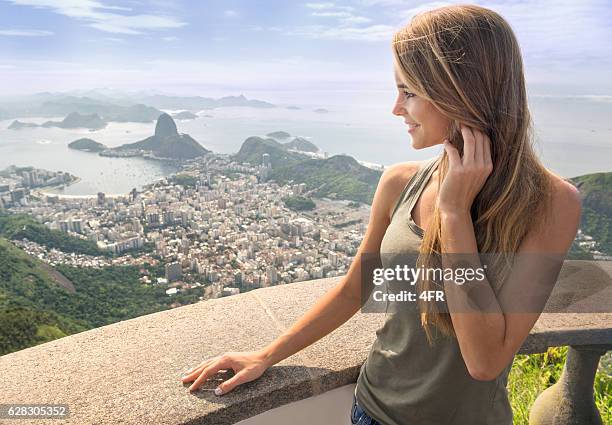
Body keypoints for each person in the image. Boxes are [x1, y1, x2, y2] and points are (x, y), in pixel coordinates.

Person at [180, 4, 581, 424]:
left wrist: (455, 213)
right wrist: (266, 354)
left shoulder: (551, 204)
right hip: (370, 410)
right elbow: (357, 287)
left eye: (409, 92)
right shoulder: (399, 181)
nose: (395, 108)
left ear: (461, 92)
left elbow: (485, 361)